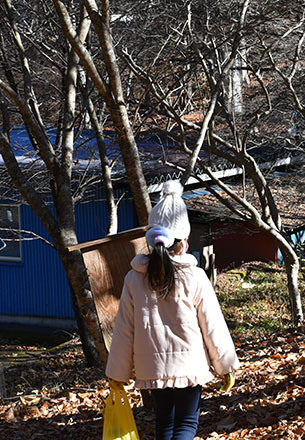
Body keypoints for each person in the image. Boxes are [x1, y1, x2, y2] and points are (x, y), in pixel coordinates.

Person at [106, 180, 240, 440]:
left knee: (164, 424)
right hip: (189, 368)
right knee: (186, 424)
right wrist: (226, 366)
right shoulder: (195, 277)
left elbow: (124, 329)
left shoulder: (134, 279)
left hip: (152, 369)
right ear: (183, 242)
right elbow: (212, 325)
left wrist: (117, 374)